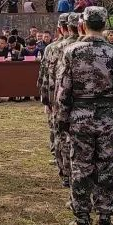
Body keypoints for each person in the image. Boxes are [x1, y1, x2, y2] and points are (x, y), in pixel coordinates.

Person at [56, 7, 113, 225]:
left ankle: (82, 218)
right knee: (106, 167)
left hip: (80, 117)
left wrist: (62, 120)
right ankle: (105, 219)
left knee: (80, 166)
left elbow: (64, 90)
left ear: (83, 24)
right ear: (104, 24)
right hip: (108, 119)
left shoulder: (71, 52)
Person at [39, 14, 77, 186]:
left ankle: (66, 174)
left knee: (61, 135)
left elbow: (46, 77)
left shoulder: (54, 48)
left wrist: (46, 101)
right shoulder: (108, 48)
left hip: (59, 100)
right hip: (90, 105)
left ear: (61, 28)